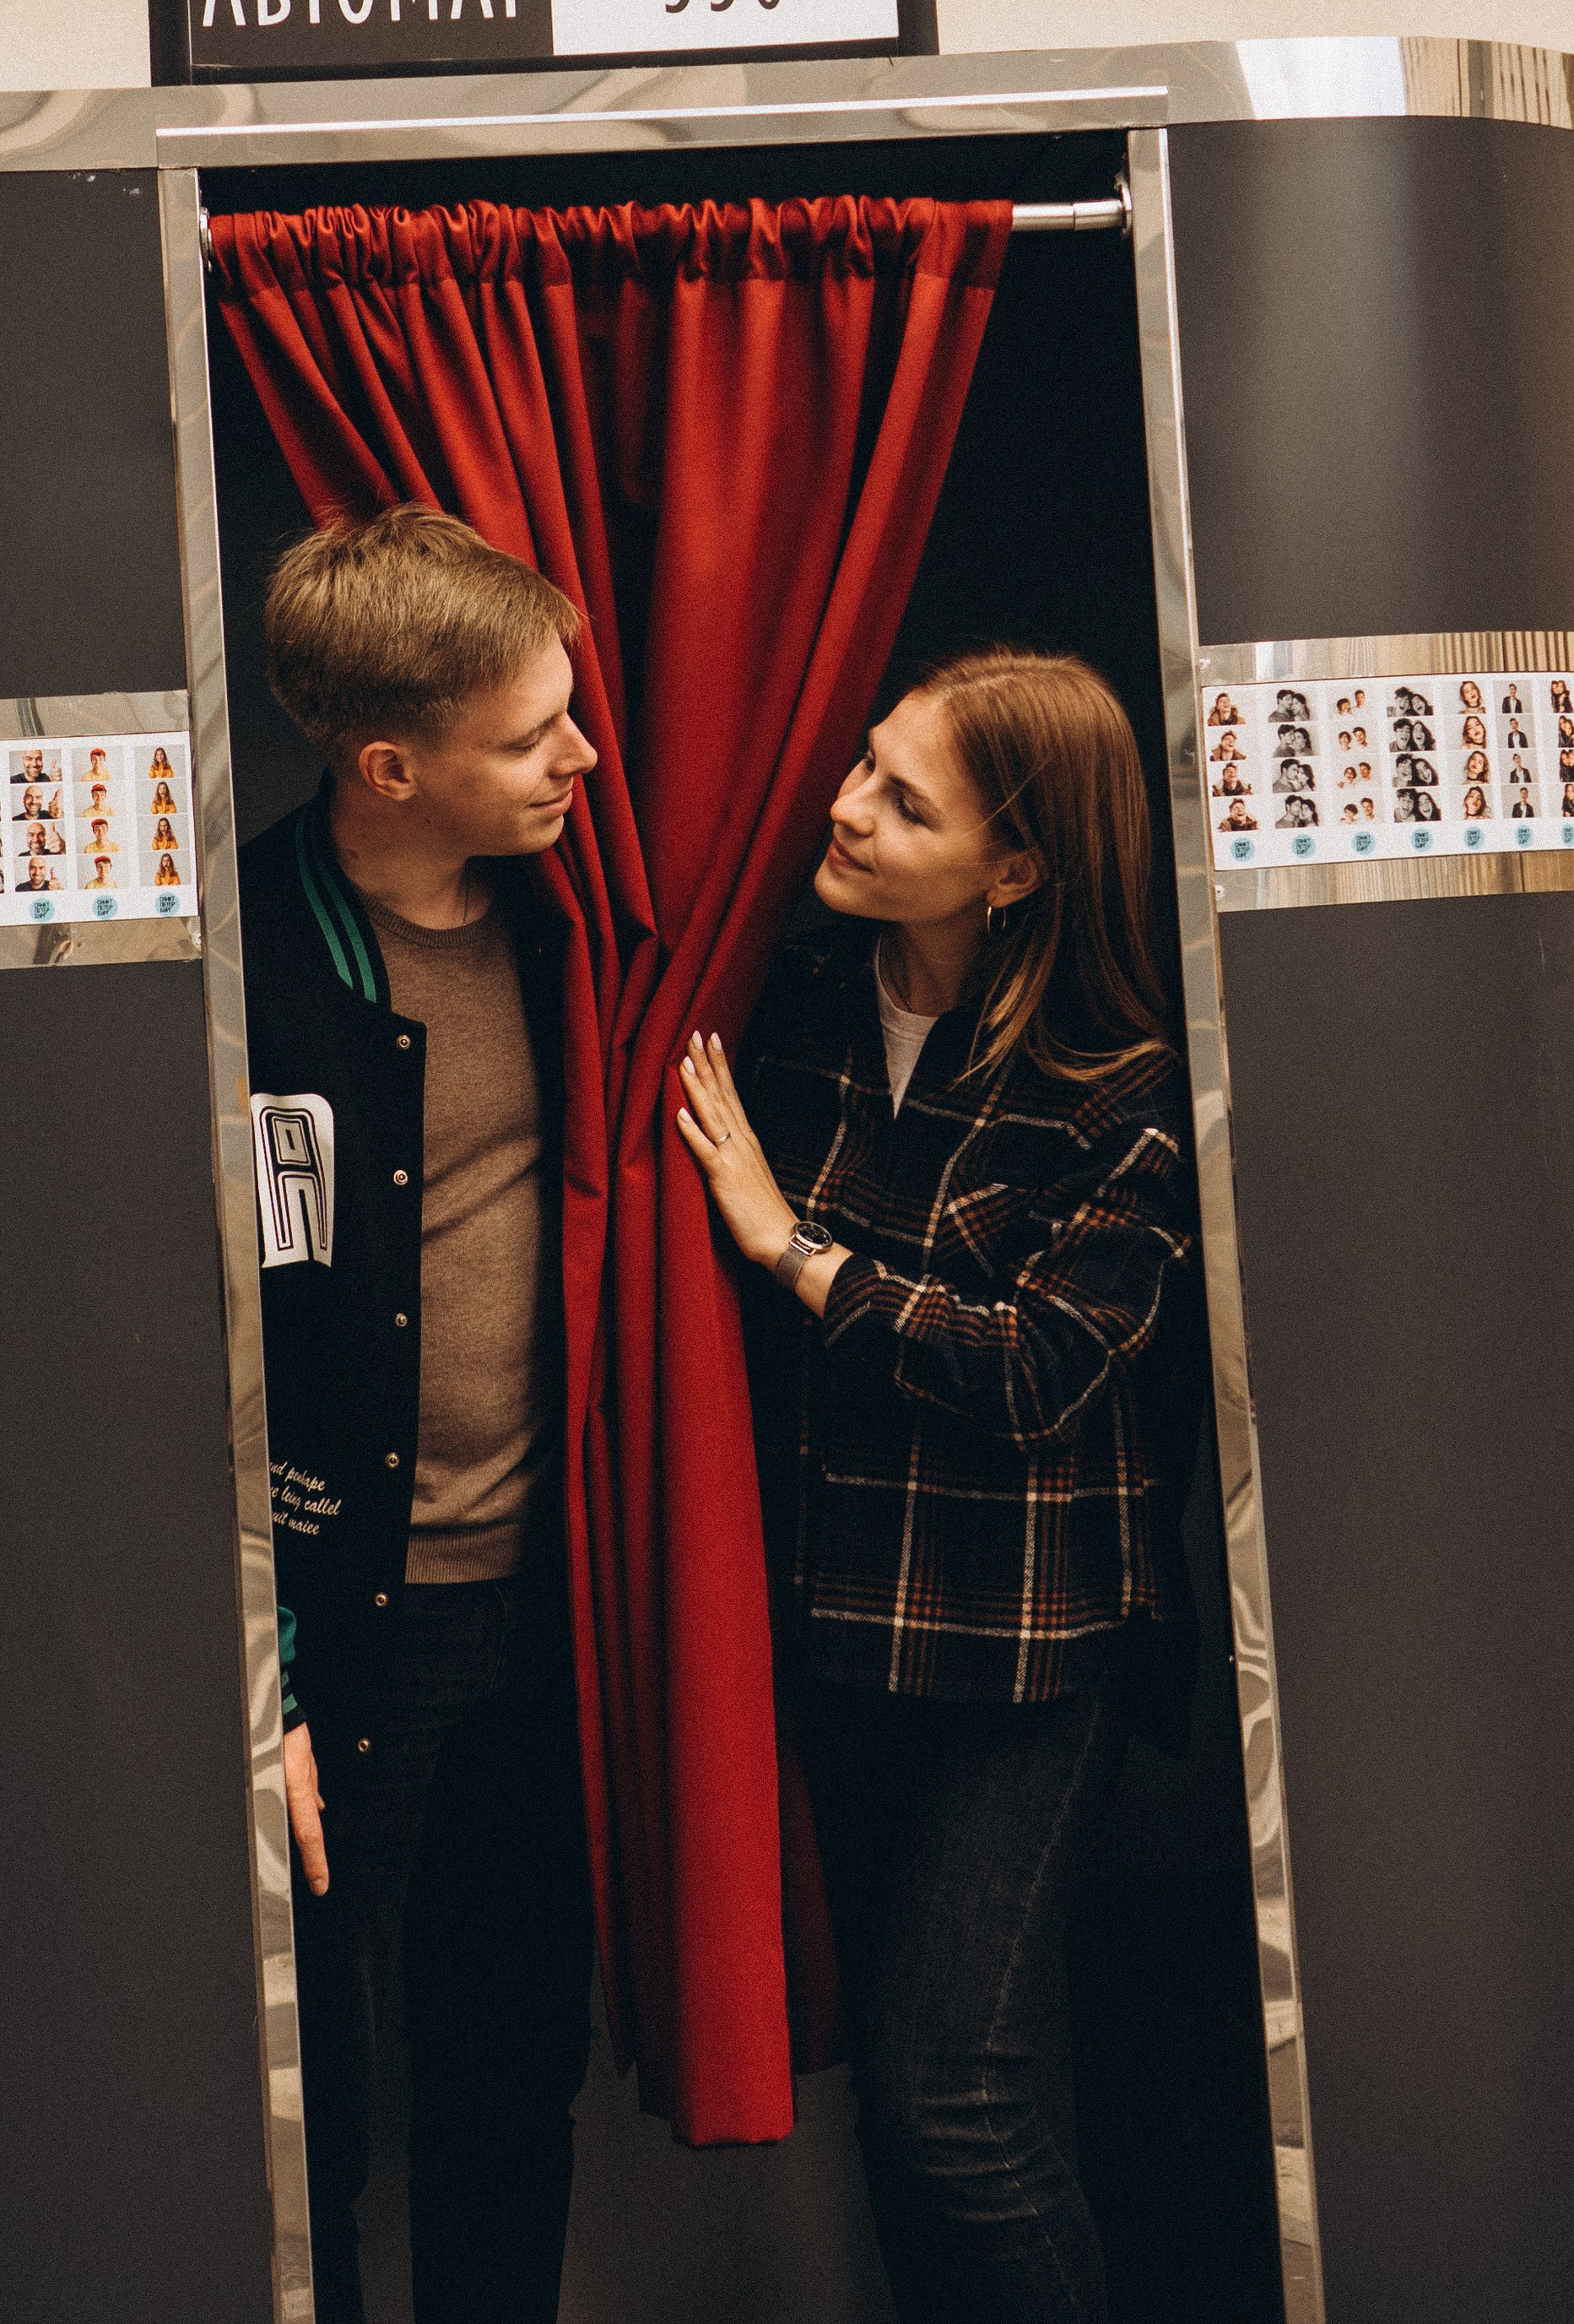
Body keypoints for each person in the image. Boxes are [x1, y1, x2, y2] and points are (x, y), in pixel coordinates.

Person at [674, 648, 1198, 2324]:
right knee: (917, 2120)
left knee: (948, 2096)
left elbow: (1036, 1367)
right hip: (837, 1633)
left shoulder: (1117, 1093)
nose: (839, 807)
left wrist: (793, 1256)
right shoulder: (793, 1005)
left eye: (903, 800)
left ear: (1016, 866)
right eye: (859, 765)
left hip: (1025, 1657)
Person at [241, 504, 599, 2324]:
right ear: (390, 766)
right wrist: (264, 1680)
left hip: (544, 1615)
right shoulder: (242, 968)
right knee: (308, 2108)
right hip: (345, 1637)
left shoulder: (591, 939)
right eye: (534, 734)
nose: (581, 757)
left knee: (506, 2074)